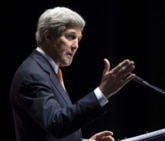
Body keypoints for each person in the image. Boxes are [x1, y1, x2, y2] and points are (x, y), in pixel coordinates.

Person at [9, 6, 136, 141]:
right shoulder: (32, 75)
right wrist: (102, 92)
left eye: (78, 39)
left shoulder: (49, 72)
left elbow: (56, 128)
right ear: (48, 36)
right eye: (71, 37)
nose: (76, 45)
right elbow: (56, 123)